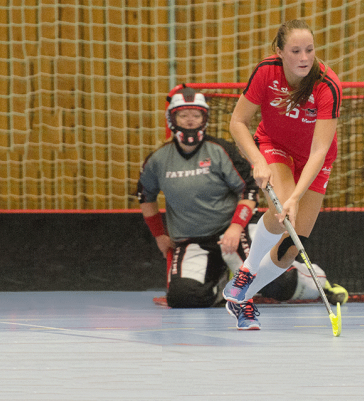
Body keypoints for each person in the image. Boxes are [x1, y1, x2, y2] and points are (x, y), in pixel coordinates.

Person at [138, 84, 346, 330]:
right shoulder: (158, 160)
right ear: (172, 119)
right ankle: (224, 285)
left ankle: (319, 283)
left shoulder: (220, 151)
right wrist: (159, 235)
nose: (190, 120)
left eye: (196, 115)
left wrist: (236, 228)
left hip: (232, 234)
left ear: (204, 118)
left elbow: (248, 190)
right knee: (183, 297)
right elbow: (146, 197)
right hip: (191, 241)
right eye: (184, 115)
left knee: (277, 284)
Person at [223, 19, 347, 329]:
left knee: (291, 247)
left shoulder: (327, 85)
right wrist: (257, 160)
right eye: (295, 51)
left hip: (315, 159)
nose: (305, 58)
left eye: (309, 50)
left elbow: (319, 150)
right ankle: (247, 269)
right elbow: (237, 122)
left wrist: (296, 197)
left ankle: (241, 297)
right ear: (279, 51)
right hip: (274, 145)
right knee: (283, 214)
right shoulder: (266, 72)